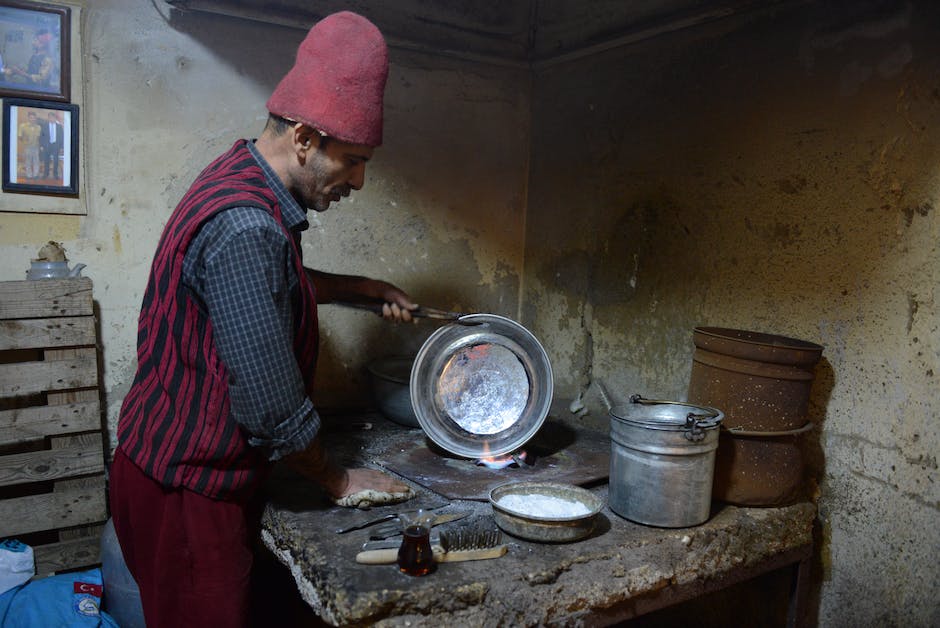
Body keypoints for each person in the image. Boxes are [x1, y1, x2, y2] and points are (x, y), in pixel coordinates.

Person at [109, 12, 416, 627]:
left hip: (164, 469)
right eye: (352, 160)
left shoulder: (241, 176)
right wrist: (335, 479)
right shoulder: (248, 226)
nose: (358, 180)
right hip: (188, 494)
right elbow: (271, 408)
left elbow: (270, 285)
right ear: (304, 138)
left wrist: (363, 287)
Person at [17, 111, 41, 180]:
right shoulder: (23, 126)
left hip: (36, 147)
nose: (32, 119)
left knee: (36, 161)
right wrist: (25, 142)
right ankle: (29, 175)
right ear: (28, 118)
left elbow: (39, 137)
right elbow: (20, 136)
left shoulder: (38, 127)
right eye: (31, 117)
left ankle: (35, 175)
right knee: (28, 161)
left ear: (35, 118)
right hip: (27, 147)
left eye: (34, 118)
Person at [39, 112, 63, 180]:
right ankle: (45, 174)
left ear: (55, 118)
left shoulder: (59, 127)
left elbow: (61, 137)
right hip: (47, 145)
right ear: (48, 118)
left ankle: (55, 174)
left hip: (56, 145)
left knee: (56, 161)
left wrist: (61, 147)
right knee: (46, 160)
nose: (52, 119)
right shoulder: (44, 125)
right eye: (50, 117)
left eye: (53, 117)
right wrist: (41, 146)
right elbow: (41, 136)